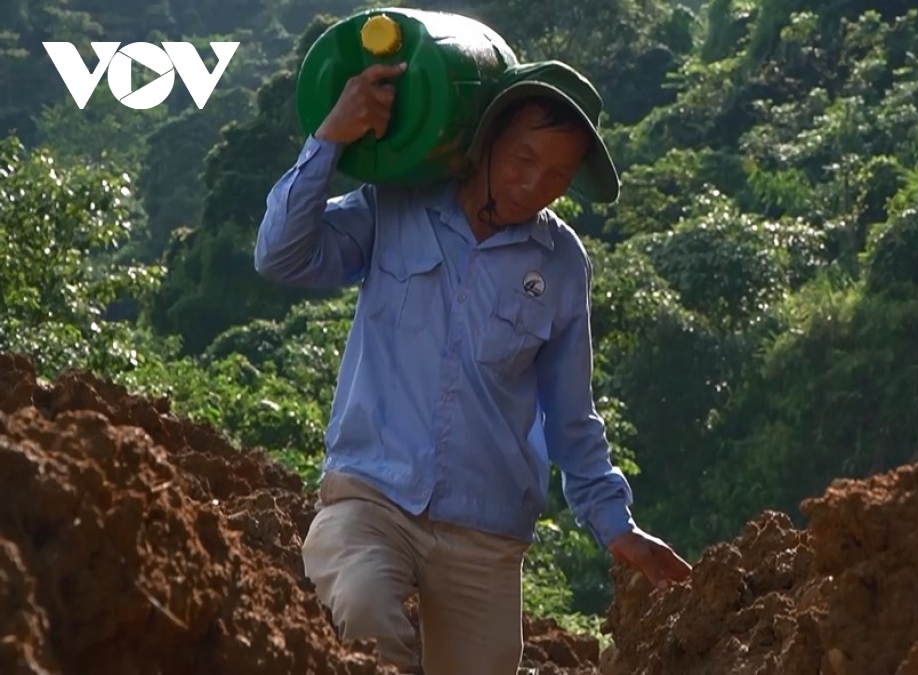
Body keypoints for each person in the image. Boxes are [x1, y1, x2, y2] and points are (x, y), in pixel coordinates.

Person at [254, 57, 692, 674]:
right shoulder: (396, 204)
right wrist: (330, 138)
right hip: (371, 496)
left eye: (559, 175)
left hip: (484, 532)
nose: (535, 184)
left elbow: (572, 418)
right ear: (486, 143)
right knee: (363, 609)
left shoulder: (562, 263)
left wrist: (616, 525)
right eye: (523, 159)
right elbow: (281, 256)